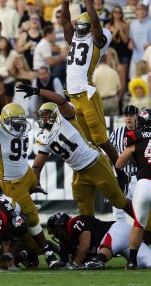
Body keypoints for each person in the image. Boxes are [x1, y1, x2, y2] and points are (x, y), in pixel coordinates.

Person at [0, 93, 72, 270]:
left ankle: (34, 253)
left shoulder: (21, 128)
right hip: (12, 183)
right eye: (15, 121)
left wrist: (34, 182)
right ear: (6, 121)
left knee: (24, 222)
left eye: (21, 120)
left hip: (27, 175)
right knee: (31, 219)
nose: (19, 125)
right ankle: (50, 256)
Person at [16, 83, 133, 217]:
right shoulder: (43, 137)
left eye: (48, 115)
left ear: (55, 114)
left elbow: (60, 99)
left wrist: (37, 91)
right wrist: (34, 183)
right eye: (42, 115)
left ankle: (145, 226)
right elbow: (36, 167)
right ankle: (91, 236)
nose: (44, 118)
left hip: (95, 163)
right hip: (79, 172)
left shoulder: (66, 118)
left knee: (119, 201)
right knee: (85, 214)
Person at [61, 0, 123, 175]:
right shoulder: (73, 38)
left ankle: (121, 171)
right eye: (78, 25)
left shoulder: (97, 39)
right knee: (88, 142)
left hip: (87, 94)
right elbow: (65, 21)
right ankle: (102, 170)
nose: (79, 29)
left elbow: (95, 23)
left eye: (83, 26)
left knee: (101, 139)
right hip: (73, 97)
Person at [47, 212, 151, 269]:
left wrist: (73, 266)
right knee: (148, 262)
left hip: (117, 230)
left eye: (56, 231)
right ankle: (98, 259)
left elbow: (85, 246)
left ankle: (99, 260)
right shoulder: (72, 239)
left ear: (61, 224)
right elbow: (76, 256)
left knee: (106, 245)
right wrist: (69, 263)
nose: (57, 235)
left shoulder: (74, 222)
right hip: (125, 240)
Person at [116, 109, 151, 269]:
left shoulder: (134, 136)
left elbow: (119, 163)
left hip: (143, 184)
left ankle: (132, 261)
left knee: (138, 224)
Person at [110, 105, 138, 222]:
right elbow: (108, 152)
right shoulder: (117, 133)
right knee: (118, 210)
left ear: (137, 116)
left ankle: (144, 238)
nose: (128, 118)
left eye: (131, 115)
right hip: (122, 176)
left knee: (140, 210)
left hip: (139, 177)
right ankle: (120, 237)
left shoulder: (143, 132)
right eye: (126, 115)